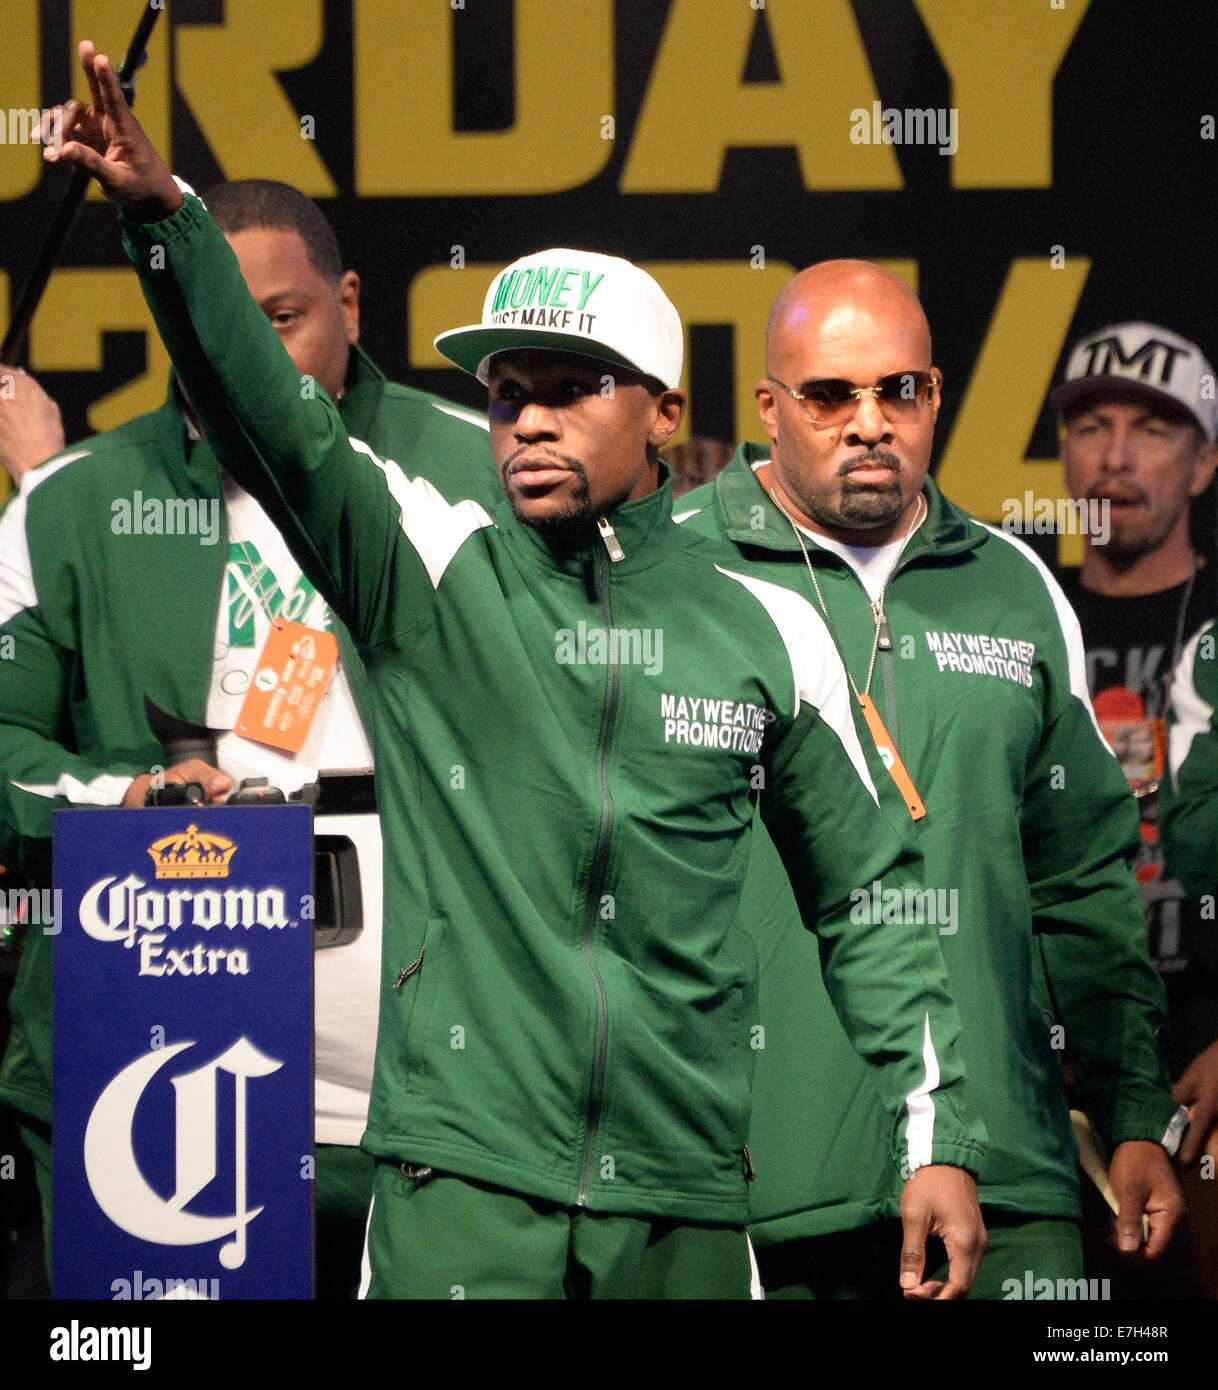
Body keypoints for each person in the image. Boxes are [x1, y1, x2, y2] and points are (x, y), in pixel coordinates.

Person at [48, 41, 993, 1299]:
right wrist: (163, 219)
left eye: (573, 387)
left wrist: (936, 1142)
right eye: (505, 394)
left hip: (688, 1200)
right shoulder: (427, 574)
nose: (530, 419)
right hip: (464, 1187)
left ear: (664, 411)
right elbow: (272, 411)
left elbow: (873, 899)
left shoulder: (774, 625)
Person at [0, 176, 496, 1298]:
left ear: (351, 302)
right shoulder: (72, 503)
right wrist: (120, 800)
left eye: (277, 316)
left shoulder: (476, 466)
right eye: (205, 310)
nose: (237, 346)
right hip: (161, 1047)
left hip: (440, 1071)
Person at [676, 260, 1187, 1298]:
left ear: (936, 397)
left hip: (1006, 1174)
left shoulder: (1016, 585)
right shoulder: (680, 577)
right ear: (770, 407)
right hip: (760, 1183)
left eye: (898, 390)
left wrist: (1136, 1109)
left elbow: (1083, 880)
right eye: (829, 394)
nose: (870, 421)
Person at [1053, 322, 1218, 1294]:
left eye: (1152, 430)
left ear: (1203, 464)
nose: (1115, 455)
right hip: (1047, 1082)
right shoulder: (1020, 616)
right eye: (1092, 425)